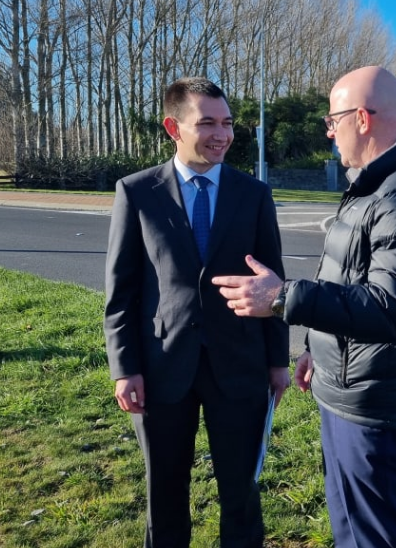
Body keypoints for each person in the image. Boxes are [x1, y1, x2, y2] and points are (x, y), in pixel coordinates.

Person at [212, 65, 396, 548]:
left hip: (373, 407)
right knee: (352, 527)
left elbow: (390, 306)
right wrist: (317, 350)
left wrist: (283, 297)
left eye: (333, 119)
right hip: (349, 387)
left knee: (374, 537)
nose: (328, 130)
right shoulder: (374, 184)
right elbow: (348, 281)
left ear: (362, 119)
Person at [104, 77, 290, 548]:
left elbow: (273, 283)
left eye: (227, 123)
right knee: (165, 492)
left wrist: (277, 362)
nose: (221, 134)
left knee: (241, 494)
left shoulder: (254, 195)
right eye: (207, 122)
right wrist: (124, 368)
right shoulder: (137, 192)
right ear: (174, 127)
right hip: (162, 367)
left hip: (240, 365)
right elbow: (122, 291)